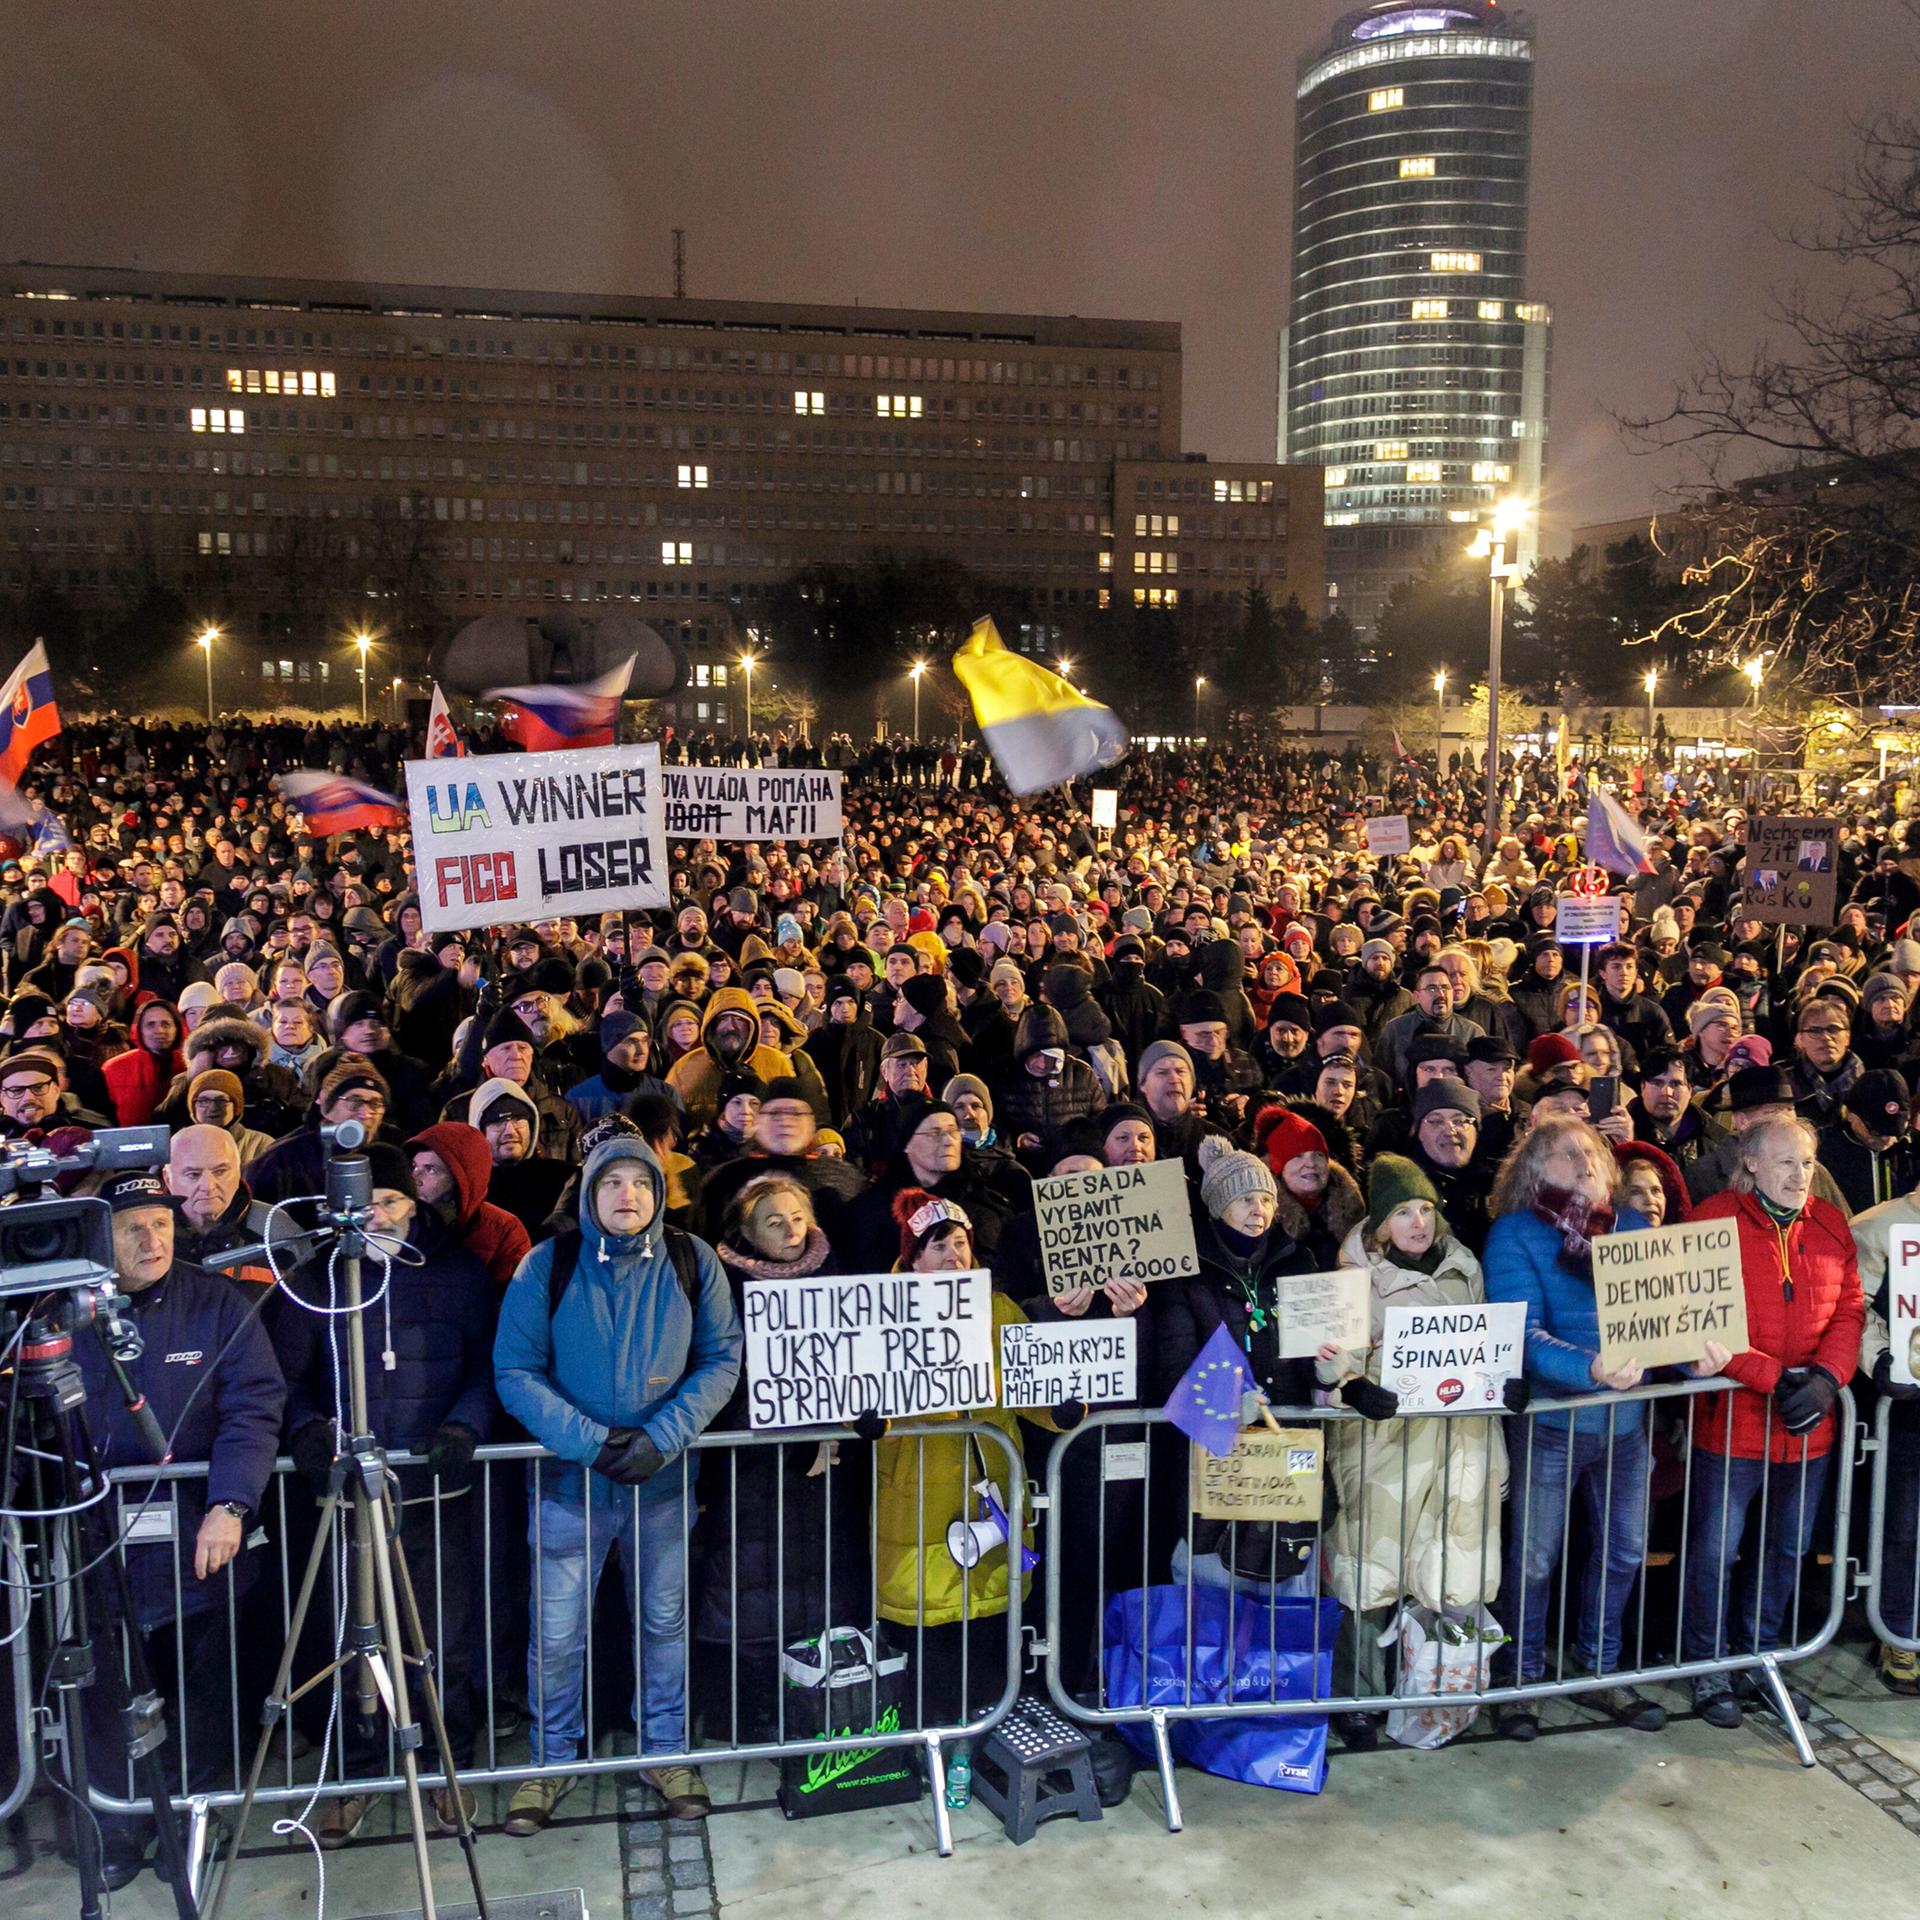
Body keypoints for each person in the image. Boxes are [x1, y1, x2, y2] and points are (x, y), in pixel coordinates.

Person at [493, 1137, 742, 1831]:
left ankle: (665, 1752)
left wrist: (663, 1437)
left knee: (664, 1624)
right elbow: (514, 1369)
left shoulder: (693, 1261)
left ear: (659, 1193)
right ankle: (551, 1762)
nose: (626, 1194)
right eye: (611, 1182)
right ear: (589, 1193)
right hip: (568, 1486)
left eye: (640, 1182)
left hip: (662, 1484)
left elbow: (721, 1358)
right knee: (557, 1632)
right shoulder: (548, 1265)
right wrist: (590, 1442)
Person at [273, 1145, 498, 1843]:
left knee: (441, 1637)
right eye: (363, 1204)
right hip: (345, 1497)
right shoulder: (316, 1279)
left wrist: (466, 1424)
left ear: (413, 1203)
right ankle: (360, 1771)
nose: (375, 1216)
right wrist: (307, 1430)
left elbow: (488, 1365)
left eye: (390, 1201)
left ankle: (446, 1764)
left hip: (433, 1491)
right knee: (350, 1636)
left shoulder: (457, 1273)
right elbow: (286, 1379)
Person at [76, 1171, 286, 1890]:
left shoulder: (216, 1302)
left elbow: (254, 1405)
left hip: (197, 1540)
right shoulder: (63, 1310)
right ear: (98, 1239)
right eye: (132, 1227)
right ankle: (119, 1825)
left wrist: (231, 1504)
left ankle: (194, 1819)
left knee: (201, 1693)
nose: (153, 1239)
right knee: (107, 1694)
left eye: (161, 1224)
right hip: (95, 1547)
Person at [1483, 1116, 1722, 1740]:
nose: (1586, 1161)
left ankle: (1599, 1669)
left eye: (1592, 1151)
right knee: (1535, 1561)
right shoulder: (1514, 1233)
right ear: (1536, 1170)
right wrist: (1588, 1368)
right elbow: (1520, 1334)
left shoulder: (1634, 1228)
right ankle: (1520, 1677)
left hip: (1626, 1427)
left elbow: (1662, 1327)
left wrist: (1692, 1357)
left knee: (1624, 1553)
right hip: (1550, 1425)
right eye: (1567, 1154)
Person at [1322, 1156, 1512, 1749]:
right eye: (1403, 1211)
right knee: (1368, 1574)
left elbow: (1484, 1352)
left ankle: (1430, 1693)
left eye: (1425, 1209)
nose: (1418, 1222)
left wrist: (1505, 1389)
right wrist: (1351, 1388)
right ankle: (1358, 1700)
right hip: (1385, 1450)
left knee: (1446, 1572)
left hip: (1460, 1446)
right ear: (1382, 1222)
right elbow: (1332, 1364)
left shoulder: (1464, 1268)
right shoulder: (1354, 1277)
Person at [1686, 1116, 1864, 1727]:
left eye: (1807, 1162)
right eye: (1787, 1162)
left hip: (1808, 1425)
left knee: (1786, 1549)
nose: (1800, 1175)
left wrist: (1828, 1378)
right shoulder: (1712, 1220)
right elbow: (1698, 1320)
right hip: (1731, 1422)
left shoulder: (1830, 1223)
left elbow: (1850, 1309)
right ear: (1752, 1162)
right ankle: (1706, 1665)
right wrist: (1771, 1376)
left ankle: (1758, 1659)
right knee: (1715, 1552)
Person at [694, 1174, 864, 1738]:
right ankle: (746, 1715)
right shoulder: (722, 1285)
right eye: (774, 1222)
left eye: (797, 1217)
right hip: (750, 1470)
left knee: (813, 1587)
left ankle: (813, 1706)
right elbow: (720, 1375)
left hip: (823, 1469)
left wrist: (840, 1423)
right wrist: (784, 1432)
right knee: (749, 1588)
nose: (791, 1230)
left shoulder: (837, 1276)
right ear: (746, 1233)